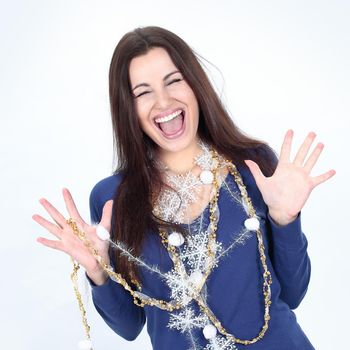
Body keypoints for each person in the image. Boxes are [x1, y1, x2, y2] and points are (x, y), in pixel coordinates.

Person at [33, 26, 335, 350]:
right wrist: (98, 272)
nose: (164, 101)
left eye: (174, 80)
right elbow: (128, 326)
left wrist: (285, 219)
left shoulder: (252, 167)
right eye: (143, 92)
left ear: (195, 85)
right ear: (128, 108)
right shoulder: (112, 199)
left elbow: (293, 293)